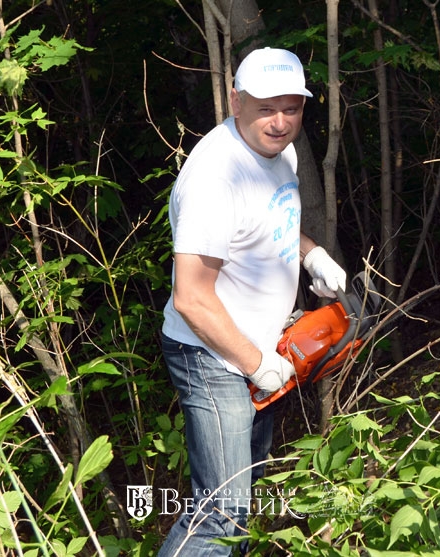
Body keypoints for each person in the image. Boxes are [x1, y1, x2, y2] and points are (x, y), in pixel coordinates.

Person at [158, 47, 346, 556]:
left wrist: (312, 256)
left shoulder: (279, 151)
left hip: (261, 348)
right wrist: (256, 364)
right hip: (215, 356)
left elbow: (269, 221)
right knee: (220, 514)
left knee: (244, 497)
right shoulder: (214, 179)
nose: (280, 122)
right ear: (236, 100)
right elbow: (191, 298)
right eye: (266, 108)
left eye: (292, 108)